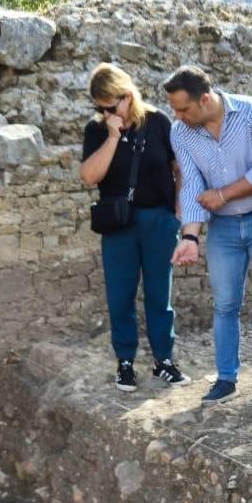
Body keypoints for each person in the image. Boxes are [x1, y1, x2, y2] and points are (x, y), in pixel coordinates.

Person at [165, 66, 252, 405]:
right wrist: (190, 238)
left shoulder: (251, 111)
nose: (176, 116)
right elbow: (194, 187)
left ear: (206, 99)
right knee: (225, 304)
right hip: (223, 228)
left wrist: (223, 194)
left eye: (183, 108)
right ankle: (226, 378)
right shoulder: (181, 133)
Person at [80, 63, 189, 393]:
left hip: (158, 220)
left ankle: (163, 361)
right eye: (99, 107)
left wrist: (179, 212)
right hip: (118, 223)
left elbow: (178, 168)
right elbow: (89, 176)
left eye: (110, 106)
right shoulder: (97, 130)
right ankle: (125, 361)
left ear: (127, 96)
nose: (105, 111)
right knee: (120, 295)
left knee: (159, 294)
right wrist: (113, 134)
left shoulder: (157, 122)